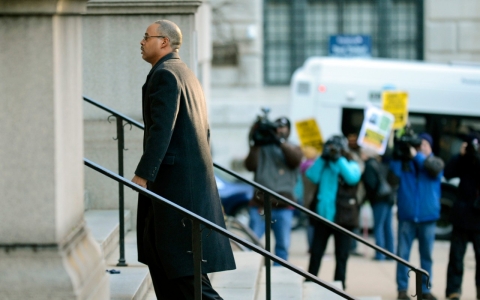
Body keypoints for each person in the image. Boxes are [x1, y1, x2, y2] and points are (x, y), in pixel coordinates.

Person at [131, 20, 235, 299]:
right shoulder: (184, 72)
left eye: (146, 37)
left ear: (164, 42)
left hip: (174, 190)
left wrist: (144, 173)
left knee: (187, 278)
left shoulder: (166, 74)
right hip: (181, 187)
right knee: (166, 265)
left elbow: (161, 130)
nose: (141, 42)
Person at [389, 132, 443, 300]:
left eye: (425, 145)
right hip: (407, 216)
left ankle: (424, 290)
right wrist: (397, 147)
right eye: (419, 145)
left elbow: (433, 169)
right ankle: (402, 289)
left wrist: (417, 156)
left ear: (431, 147)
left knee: (426, 255)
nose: (421, 148)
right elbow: (392, 172)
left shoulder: (436, 162)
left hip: (428, 217)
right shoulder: (406, 162)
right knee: (402, 255)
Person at [244, 116, 303, 264]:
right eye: (276, 127)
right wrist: (255, 139)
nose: (279, 130)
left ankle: (279, 274)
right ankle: (250, 269)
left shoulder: (293, 147)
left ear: (289, 130)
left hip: (283, 205)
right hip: (260, 204)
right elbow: (250, 165)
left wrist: (280, 142)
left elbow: (295, 160)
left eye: (283, 127)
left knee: (282, 245)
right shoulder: (261, 147)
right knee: (253, 242)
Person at [305, 135, 361, 289]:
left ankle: (339, 285)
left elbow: (352, 178)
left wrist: (338, 159)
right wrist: (323, 158)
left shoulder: (351, 163)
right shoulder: (324, 164)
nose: (332, 151)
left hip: (343, 218)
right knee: (316, 253)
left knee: (341, 255)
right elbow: (311, 176)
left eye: (336, 148)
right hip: (323, 217)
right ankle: (310, 281)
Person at [444, 133, 480, 300]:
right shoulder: (463, 160)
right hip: (461, 216)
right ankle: (453, 291)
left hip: (478, 218)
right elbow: (448, 173)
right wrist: (460, 155)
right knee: (456, 258)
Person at [361, 148, 395, 261]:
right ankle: (390, 253)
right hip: (388, 197)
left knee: (379, 226)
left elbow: (371, 185)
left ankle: (380, 254)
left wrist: (366, 198)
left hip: (379, 199)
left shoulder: (370, 165)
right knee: (387, 226)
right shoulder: (382, 163)